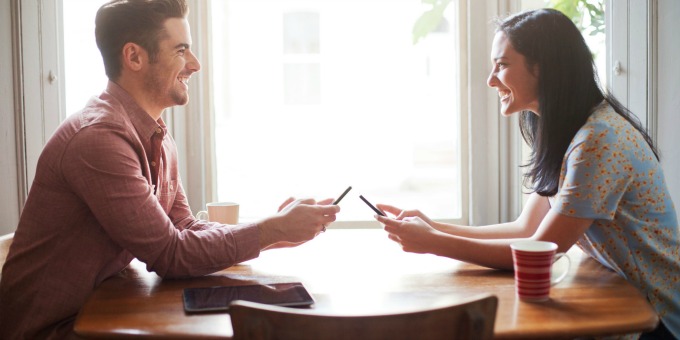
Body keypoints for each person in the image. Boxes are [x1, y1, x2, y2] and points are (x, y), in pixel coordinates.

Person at [0, 0, 339, 338]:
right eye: (181, 50)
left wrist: (278, 232)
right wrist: (272, 230)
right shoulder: (98, 139)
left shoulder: (154, 132)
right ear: (134, 57)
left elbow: (185, 227)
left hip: (100, 310)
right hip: (52, 329)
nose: (195, 64)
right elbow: (171, 254)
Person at [375, 8, 679, 340]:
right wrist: (434, 227)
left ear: (545, 68)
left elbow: (540, 250)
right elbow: (527, 227)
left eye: (502, 65)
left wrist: (434, 243)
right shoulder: (568, 129)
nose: (490, 79)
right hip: (630, 298)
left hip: (661, 315)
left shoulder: (598, 140)